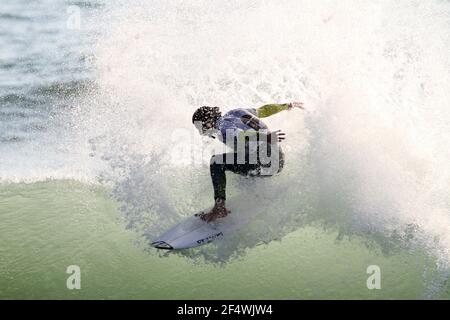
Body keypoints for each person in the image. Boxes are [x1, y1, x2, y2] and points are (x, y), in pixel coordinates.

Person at [192, 102, 305, 222]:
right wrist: (286, 105)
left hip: (265, 161)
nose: (202, 132)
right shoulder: (236, 112)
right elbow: (264, 110)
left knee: (216, 162)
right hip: (278, 159)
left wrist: (264, 137)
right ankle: (258, 197)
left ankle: (219, 208)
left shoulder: (222, 129)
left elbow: (242, 135)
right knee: (240, 171)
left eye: (201, 128)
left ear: (208, 122)